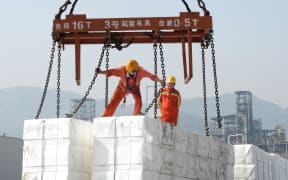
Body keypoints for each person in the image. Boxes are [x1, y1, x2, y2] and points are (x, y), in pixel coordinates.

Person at [97, 59, 164, 117]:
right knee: (113, 102)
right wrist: (101, 72)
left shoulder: (141, 71)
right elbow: (111, 71)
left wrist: (160, 81)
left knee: (139, 101)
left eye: (136, 71)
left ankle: (136, 114)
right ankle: (105, 117)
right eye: (133, 72)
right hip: (121, 87)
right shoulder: (122, 69)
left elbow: (152, 76)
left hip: (135, 88)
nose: (135, 73)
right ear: (128, 70)